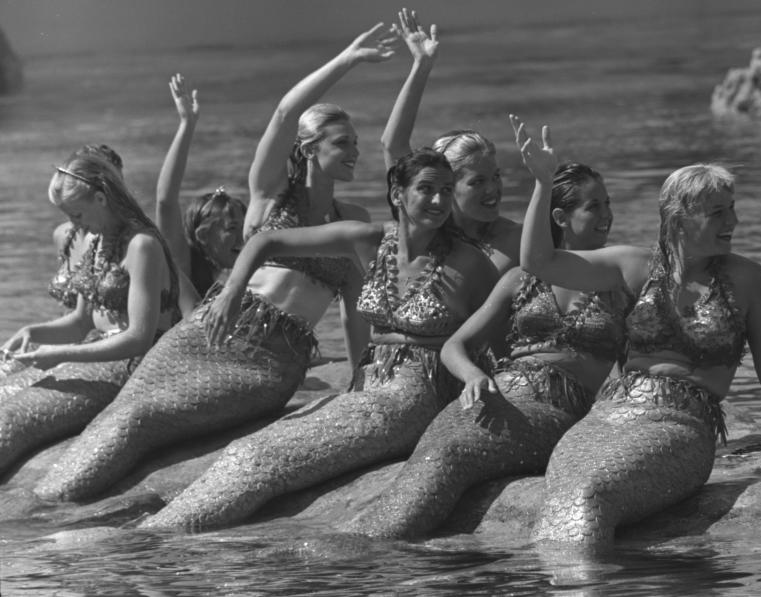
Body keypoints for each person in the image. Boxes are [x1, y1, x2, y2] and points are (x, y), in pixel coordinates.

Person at [33, 23, 397, 502]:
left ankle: (65, 514)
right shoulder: (270, 199)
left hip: (272, 362)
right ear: (309, 150)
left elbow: (355, 310)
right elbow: (286, 112)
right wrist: (346, 60)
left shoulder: (353, 220)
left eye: (355, 143)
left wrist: (357, 382)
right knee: (124, 411)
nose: (356, 152)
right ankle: (49, 512)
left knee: (147, 419)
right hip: (210, 330)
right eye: (343, 143)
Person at [511, 114, 761, 551]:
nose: (733, 221)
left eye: (732, 209)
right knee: (566, 493)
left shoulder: (751, 280)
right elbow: (537, 263)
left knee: (588, 496)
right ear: (679, 218)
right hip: (607, 419)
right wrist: (542, 184)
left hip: (683, 427)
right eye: (717, 213)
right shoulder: (632, 266)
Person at [139, 148, 499, 532]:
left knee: (258, 454)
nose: (440, 201)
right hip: (366, 388)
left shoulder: (470, 263)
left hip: (412, 397)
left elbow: (500, 332)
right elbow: (267, 243)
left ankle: (157, 539)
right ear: (397, 194)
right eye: (426, 189)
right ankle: (157, 535)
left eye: (446, 190)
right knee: (246, 450)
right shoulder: (369, 240)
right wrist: (231, 291)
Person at [342, 162, 631, 540]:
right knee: (433, 451)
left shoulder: (626, 276)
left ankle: (372, 547)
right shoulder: (519, 278)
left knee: (450, 455)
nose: (607, 215)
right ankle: (370, 544)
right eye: (594, 207)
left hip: (554, 411)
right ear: (560, 218)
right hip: (494, 394)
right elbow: (454, 347)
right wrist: (474, 374)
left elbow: (638, 362)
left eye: (607, 203)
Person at [0, 148, 181, 475]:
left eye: (77, 215)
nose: (73, 225)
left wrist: (61, 355)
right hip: (93, 351)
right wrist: (33, 333)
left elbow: (140, 338)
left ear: (101, 199)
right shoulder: (96, 241)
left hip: (131, 365)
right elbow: (81, 321)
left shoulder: (142, 245)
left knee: (10, 420)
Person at [382, 9, 521, 273]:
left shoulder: (517, 239)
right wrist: (421, 66)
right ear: (447, 186)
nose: (493, 189)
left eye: (496, 176)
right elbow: (392, 145)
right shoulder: (424, 226)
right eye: (478, 181)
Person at [0, 145, 124, 384]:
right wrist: (31, 331)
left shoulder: (138, 242)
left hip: (93, 349)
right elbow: (79, 319)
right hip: (64, 337)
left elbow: (165, 201)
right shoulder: (66, 236)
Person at [155, 73, 246, 303]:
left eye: (244, 228)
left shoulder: (221, 277)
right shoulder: (182, 266)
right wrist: (186, 125)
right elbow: (166, 201)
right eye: (232, 228)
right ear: (203, 235)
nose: (242, 238)